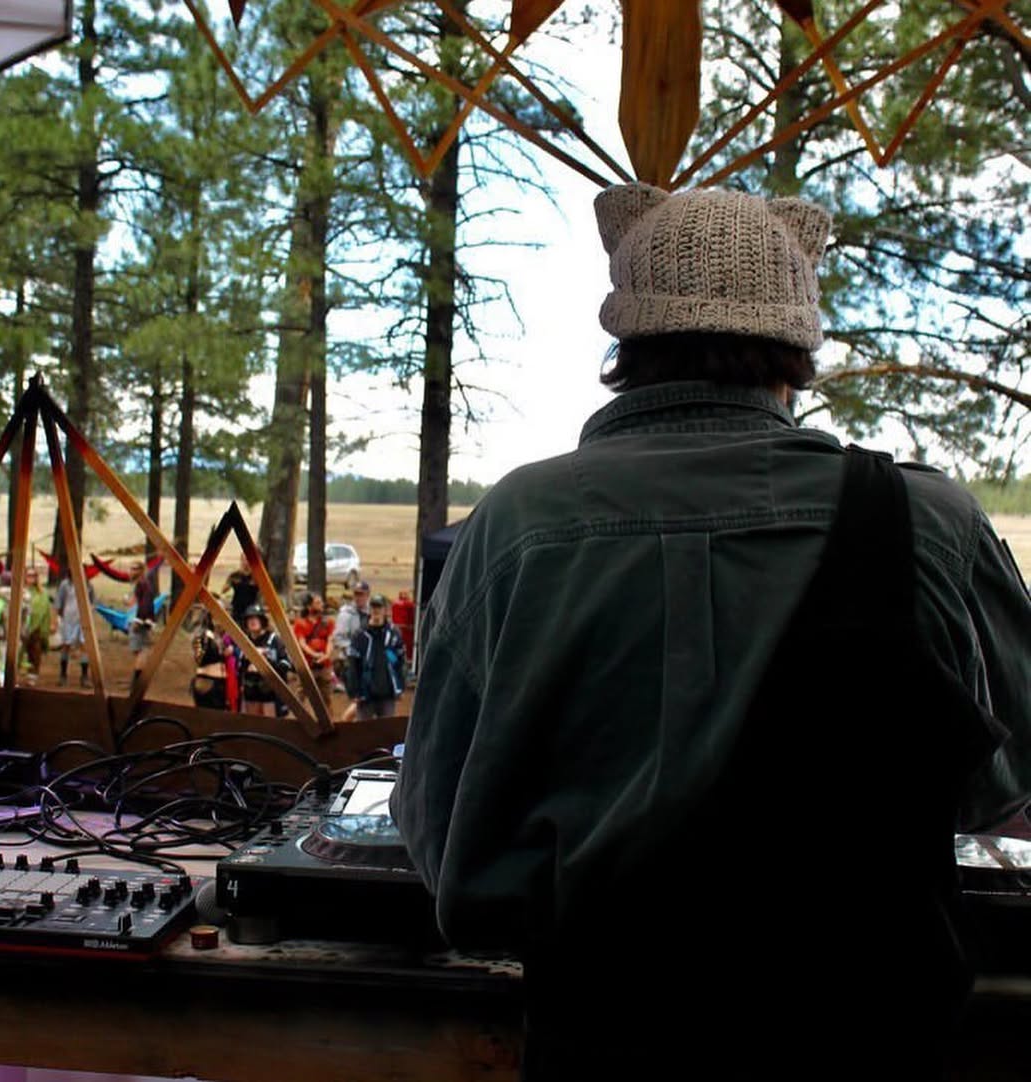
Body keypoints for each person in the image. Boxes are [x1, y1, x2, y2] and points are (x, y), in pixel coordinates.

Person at [391, 185, 1031, 1080]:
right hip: (870, 1044)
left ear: (626, 346)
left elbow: (443, 838)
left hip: (600, 1042)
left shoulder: (516, 525)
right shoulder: (930, 524)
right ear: (796, 353)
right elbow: (1006, 789)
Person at [345, 594, 406, 720]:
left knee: (386, 730)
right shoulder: (360, 635)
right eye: (373, 607)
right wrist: (353, 691)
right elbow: (353, 664)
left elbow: (399, 662)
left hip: (387, 693)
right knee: (364, 729)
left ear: (385, 610)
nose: (376, 611)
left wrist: (401, 687)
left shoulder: (393, 634)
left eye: (379, 607)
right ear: (369, 609)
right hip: (365, 694)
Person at [238, 604, 293, 717]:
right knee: (253, 723)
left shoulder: (274, 640)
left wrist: (266, 661)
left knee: (272, 724)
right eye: (249, 618)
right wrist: (247, 664)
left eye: (256, 618)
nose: (252, 621)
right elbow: (239, 667)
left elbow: (286, 664)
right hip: (251, 692)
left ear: (262, 620)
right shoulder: (245, 641)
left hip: (271, 693)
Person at [293, 593, 335, 719]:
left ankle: (329, 722)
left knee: (327, 696)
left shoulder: (328, 622)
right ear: (309, 606)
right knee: (301, 696)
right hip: (307, 665)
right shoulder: (300, 623)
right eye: (317, 603)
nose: (321, 605)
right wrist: (315, 654)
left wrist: (327, 655)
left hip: (324, 665)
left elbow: (330, 640)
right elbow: (302, 643)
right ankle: (303, 721)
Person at [334, 580, 371, 720]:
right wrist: (354, 650)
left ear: (367, 595)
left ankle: (353, 723)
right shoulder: (346, 614)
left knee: (365, 700)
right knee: (360, 699)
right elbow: (338, 638)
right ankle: (345, 723)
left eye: (361, 594)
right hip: (351, 663)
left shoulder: (372, 612)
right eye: (356, 594)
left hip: (369, 662)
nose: (358, 597)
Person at [54, 570, 94, 687]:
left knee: (84, 646)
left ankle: (84, 676)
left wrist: (89, 613)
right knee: (66, 646)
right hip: (68, 619)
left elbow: (92, 602)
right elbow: (58, 603)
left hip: (83, 620)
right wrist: (55, 620)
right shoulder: (65, 585)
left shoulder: (88, 585)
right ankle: (63, 674)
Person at [18, 565, 55, 684]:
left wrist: (51, 624)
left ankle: (32, 676)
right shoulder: (19, 591)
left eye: (34, 576)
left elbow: (47, 609)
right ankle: (17, 674)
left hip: (37, 628)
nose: (31, 578)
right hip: (21, 627)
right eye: (29, 575)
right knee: (19, 652)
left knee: (35, 652)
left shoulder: (42, 593)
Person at [190, 611, 233, 710]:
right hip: (207, 681)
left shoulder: (220, 637)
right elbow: (200, 659)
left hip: (220, 682)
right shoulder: (203, 635)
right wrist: (220, 654)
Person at [126, 559, 155, 691]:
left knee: (142, 651)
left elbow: (146, 604)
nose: (131, 571)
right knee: (138, 651)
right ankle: (137, 681)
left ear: (141, 571)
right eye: (131, 568)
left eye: (134, 569)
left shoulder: (143, 584)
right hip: (134, 619)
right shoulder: (138, 585)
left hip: (139, 621)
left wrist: (139, 620)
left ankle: (137, 683)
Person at [222, 555, 259, 625]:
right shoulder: (235, 575)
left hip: (252, 609)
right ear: (241, 561)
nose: (246, 562)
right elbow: (224, 590)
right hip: (237, 608)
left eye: (248, 559)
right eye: (244, 560)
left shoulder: (256, 576)